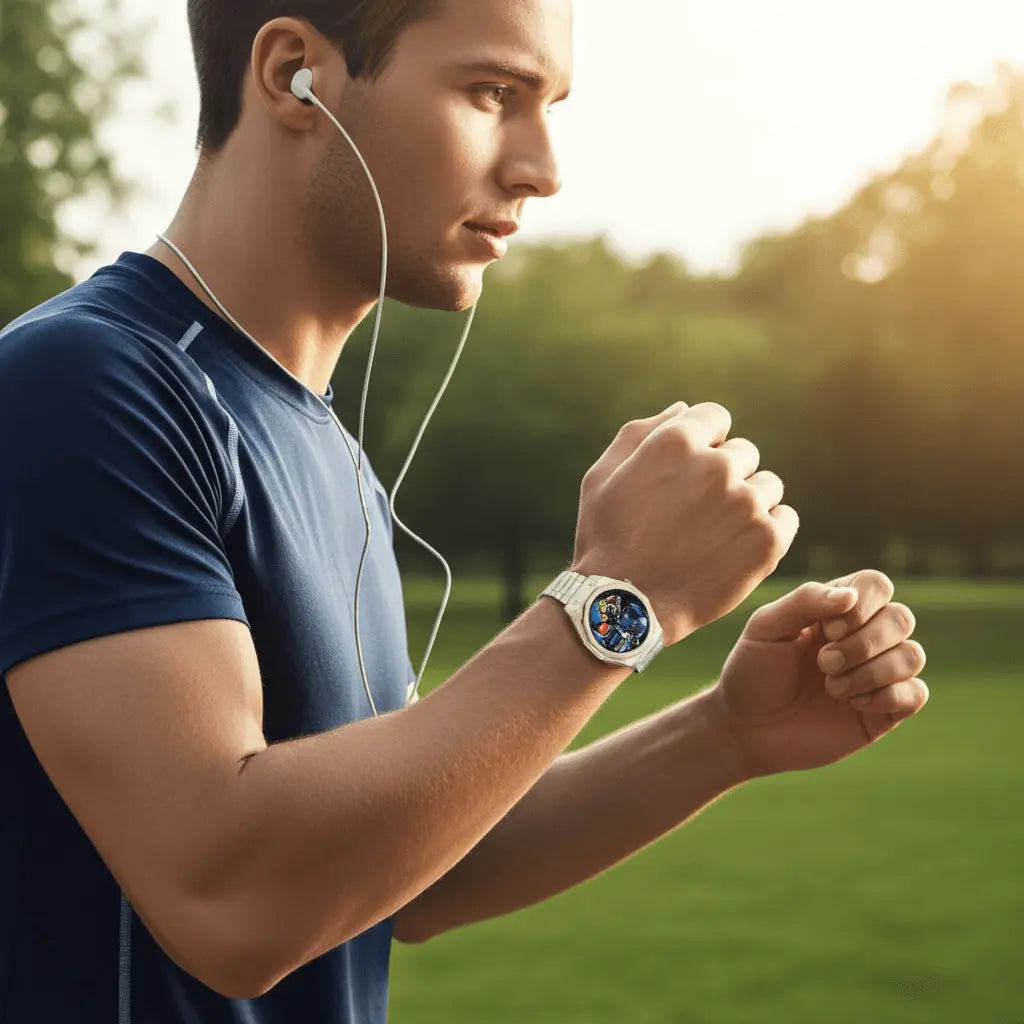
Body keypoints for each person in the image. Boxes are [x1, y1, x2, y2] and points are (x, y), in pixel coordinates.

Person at [0, 1, 930, 1021]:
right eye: (495, 93)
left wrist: (724, 735)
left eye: (550, 106)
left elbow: (404, 870)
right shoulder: (86, 385)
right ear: (290, 74)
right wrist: (619, 600)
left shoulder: (333, 456)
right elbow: (232, 894)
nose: (542, 168)